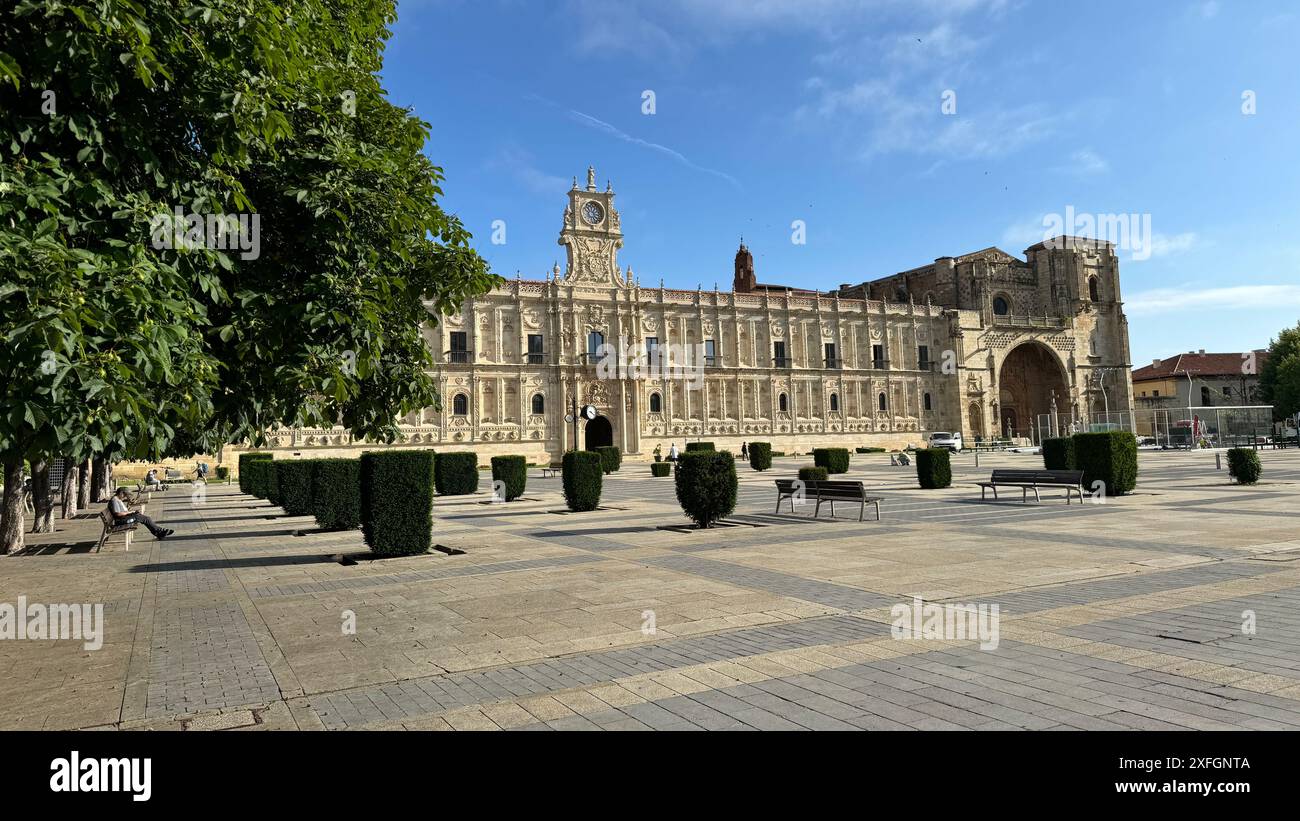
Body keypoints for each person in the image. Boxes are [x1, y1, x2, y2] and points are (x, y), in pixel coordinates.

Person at [108, 487, 173, 540]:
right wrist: (131, 512)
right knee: (145, 518)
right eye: (125, 495)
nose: (125, 496)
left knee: (144, 518)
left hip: (123, 518)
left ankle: (159, 532)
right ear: (121, 493)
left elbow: (121, 512)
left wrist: (131, 512)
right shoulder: (114, 500)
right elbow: (118, 514)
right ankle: (159, 531)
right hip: (121, 521)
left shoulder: (117, 499)